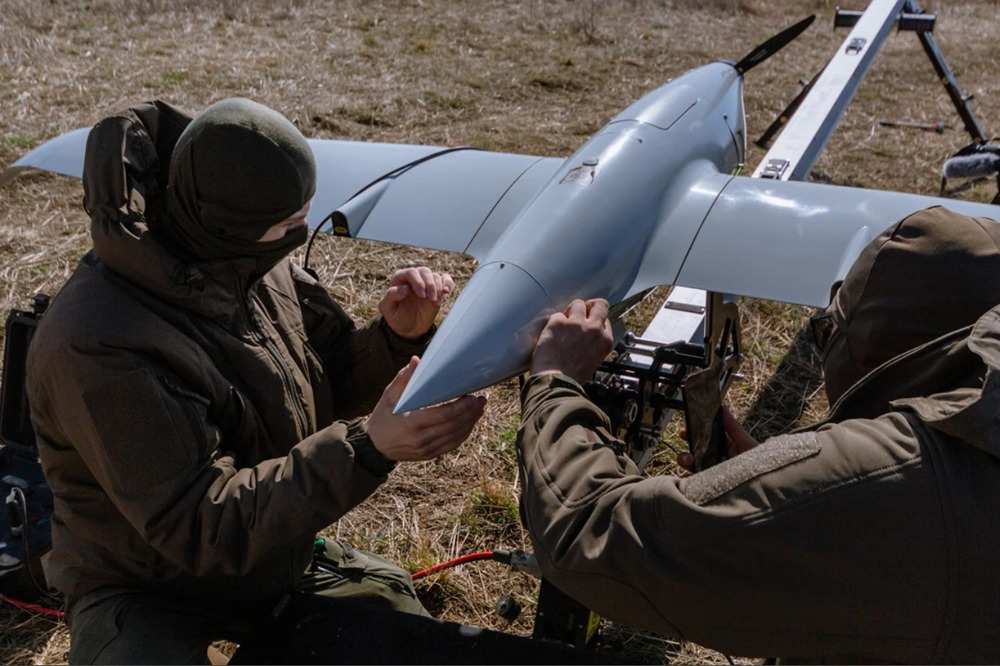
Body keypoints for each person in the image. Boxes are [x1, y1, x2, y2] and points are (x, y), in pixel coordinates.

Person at [26, 98, 486, 664]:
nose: (300, 235)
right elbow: (198, 525)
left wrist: (395, 338)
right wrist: (368, 448)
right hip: (147, 581)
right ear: (230, 226)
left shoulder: (247, 257)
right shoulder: (100, 345)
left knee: (408, 637)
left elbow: (326, 378)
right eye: (289, 226)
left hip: (268, 549)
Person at [516, 205, 1000, 663]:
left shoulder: (907, 478)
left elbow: (592, 534)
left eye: (830, 333)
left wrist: (556, 382)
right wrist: (783, 479)